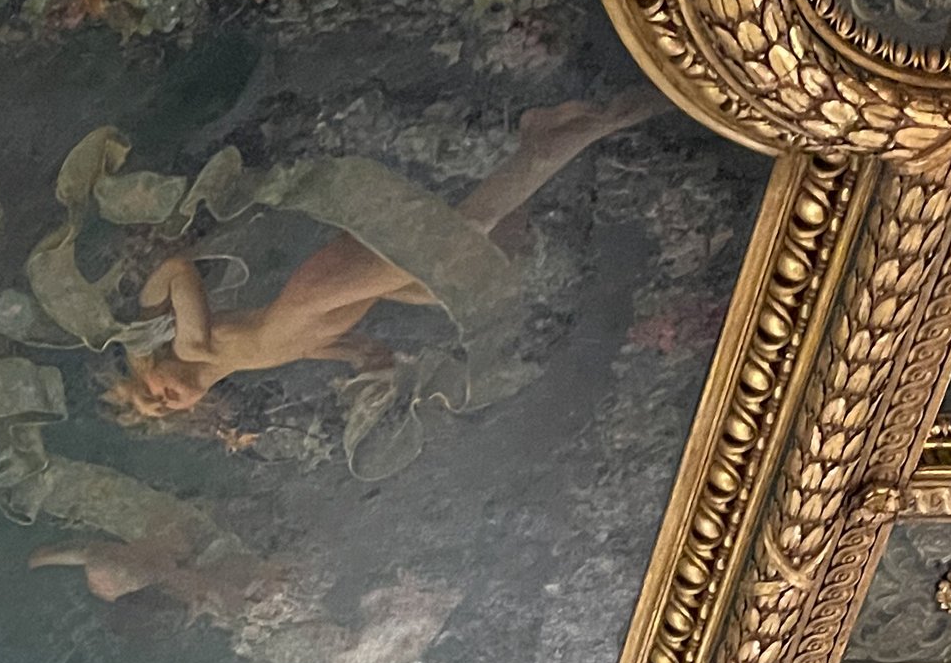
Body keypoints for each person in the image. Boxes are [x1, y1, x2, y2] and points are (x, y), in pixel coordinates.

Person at [109, 93, 654, 421]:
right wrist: (355, 357)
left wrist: (144, 320)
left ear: (151, 367)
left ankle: (558, 138)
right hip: (342, 302)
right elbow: (297, 345)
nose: (167, 400)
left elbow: (178, 270)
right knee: (488, 260)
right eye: (164, 410)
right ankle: (539, 145)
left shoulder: (194, 344)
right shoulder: (228, 364)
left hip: (320, 289)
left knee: (463, 240)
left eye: (152, 394)